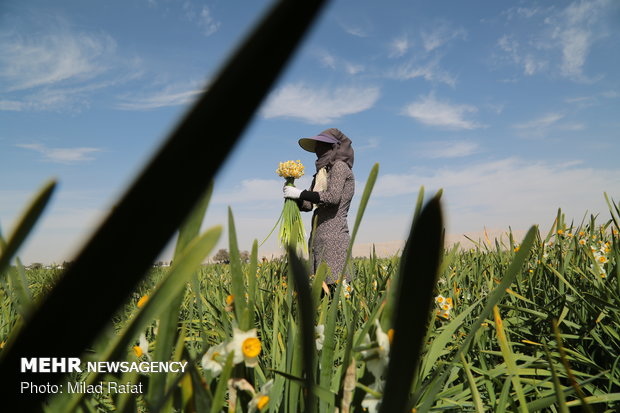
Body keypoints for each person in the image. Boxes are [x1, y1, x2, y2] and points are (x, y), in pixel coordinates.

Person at [283, 128, 355, 293]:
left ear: (335, 148)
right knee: (320, 292)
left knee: (337, 289)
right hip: (317, 239)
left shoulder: (340, 167)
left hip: (334, 238)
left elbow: (332, 197)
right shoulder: (321, 174)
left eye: (322, 146)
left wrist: (300, 193)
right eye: (317, 146)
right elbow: (308, 205)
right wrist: (292, 195)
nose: (318, 150)